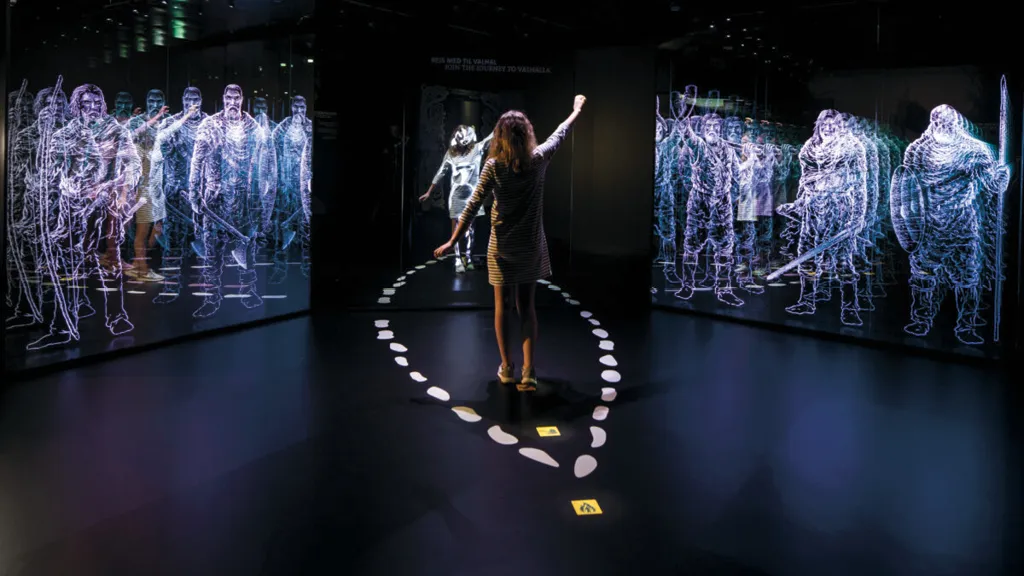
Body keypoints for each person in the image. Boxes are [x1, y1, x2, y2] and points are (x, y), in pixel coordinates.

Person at [433, 95, 586, 390]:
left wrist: (453, 240)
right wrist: (576, 109)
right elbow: (560, 132)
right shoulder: (539, 159)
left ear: (500, 137)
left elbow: (472, 204)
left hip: (501, 249)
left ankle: (507, 367)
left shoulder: (494, 167)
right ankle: (529, 371)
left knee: (502, 307)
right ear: (526, 133)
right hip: (529, 246)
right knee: (527, 307)